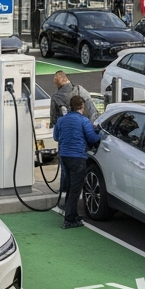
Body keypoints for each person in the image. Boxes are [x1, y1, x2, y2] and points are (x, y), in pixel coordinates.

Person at [52, 95, 100, 229]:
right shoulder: (84, 121)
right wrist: (99, 133)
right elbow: (92, 138)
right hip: (77, 157)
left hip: (64, 156)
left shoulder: (61, 120)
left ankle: (71, 213)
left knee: (70, 187)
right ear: (82, 107)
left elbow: (56, 137)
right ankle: (70, 220)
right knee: (75, 189)